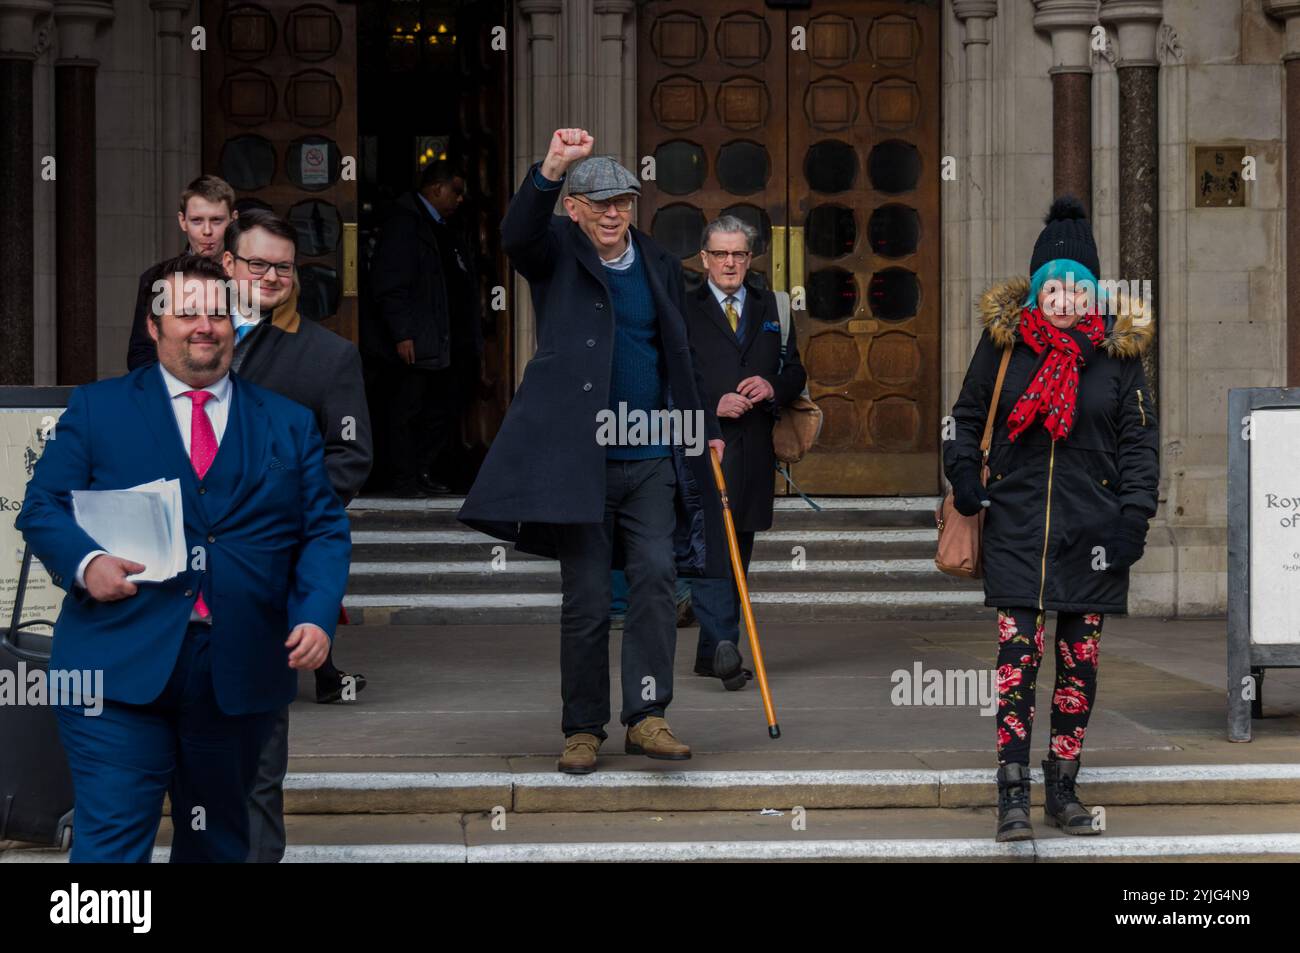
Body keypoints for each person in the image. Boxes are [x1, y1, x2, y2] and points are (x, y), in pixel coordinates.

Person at [17, 253, 351, 862]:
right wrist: (88, 563)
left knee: (219, 842)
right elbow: (42, 508)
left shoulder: (288, 423)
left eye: (218, 313)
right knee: (112, 843)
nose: (205, 326)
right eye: (187, 312)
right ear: (154, 325)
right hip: (115, 668)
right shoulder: (99, 409)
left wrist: (314, 614)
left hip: (238, 670)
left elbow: (323, 532)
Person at [459, 128, 729, 775]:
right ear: (574, 208)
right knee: (584, 599)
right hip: (580, 462)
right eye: (599, 202)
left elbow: (679, 354)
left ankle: (648, 715)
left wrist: (701, 429)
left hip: (651, 454)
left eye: (623, 202)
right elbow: (516, 233)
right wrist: (552, 167)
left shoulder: (659, 262)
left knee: (658, 577)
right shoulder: (555, 251)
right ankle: (583, 726)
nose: (613, 213)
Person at [943, 196, 1158, 843]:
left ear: (1090, 292)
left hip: (1091, 532)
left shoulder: (1118, 357)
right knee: (1019, 657)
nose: (1063, 296)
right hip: (1015, 523)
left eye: (1075, 286)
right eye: (1052, 285)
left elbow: (1140, 442)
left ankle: (1063, 787)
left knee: (1080, 661)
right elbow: (965, 416)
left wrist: (1135, 517)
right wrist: (963, 476)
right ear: (1037, 289)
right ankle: (1012, 792)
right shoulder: (1004, 342)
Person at [220, 208, 373, 863]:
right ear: (227, 265)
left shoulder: (329, 355)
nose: (273, 276)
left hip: (265, 570)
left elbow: (350, 457)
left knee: (257, 751)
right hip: (175, 576)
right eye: (258, 263)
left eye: (283, 265)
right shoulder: (185, 338)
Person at [686, 215, 807, 690]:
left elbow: (795, 371)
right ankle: (724, 647)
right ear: (704, 259)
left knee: (741, 548)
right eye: (720, 254)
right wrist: (711, 402)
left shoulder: (772, 305)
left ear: (750, 257)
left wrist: (772, 385)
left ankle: (709, 651)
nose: (730, 262)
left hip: (755, 450)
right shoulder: (681, 307)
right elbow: (667, 375)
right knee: (716, 548)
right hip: (705, 444)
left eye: (738, 254)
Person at [366, 160, 484, 496]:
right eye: (456, 191)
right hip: (416, 341)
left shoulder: (444, 226)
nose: (460, 199)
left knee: (438, 410)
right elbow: (390, 285)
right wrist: (403, 333)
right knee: (407, 411)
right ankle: (403, 479)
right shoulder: (406, 223)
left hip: (444, 342)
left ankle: (421, 472)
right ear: (436, 189)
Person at [127, 175, 236, 371]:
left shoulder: (250, 278)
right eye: (196, 221)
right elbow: (141, 354)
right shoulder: (155, 279)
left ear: (233, 220)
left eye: (217, 220)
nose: (207, 231)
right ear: (182, 221)